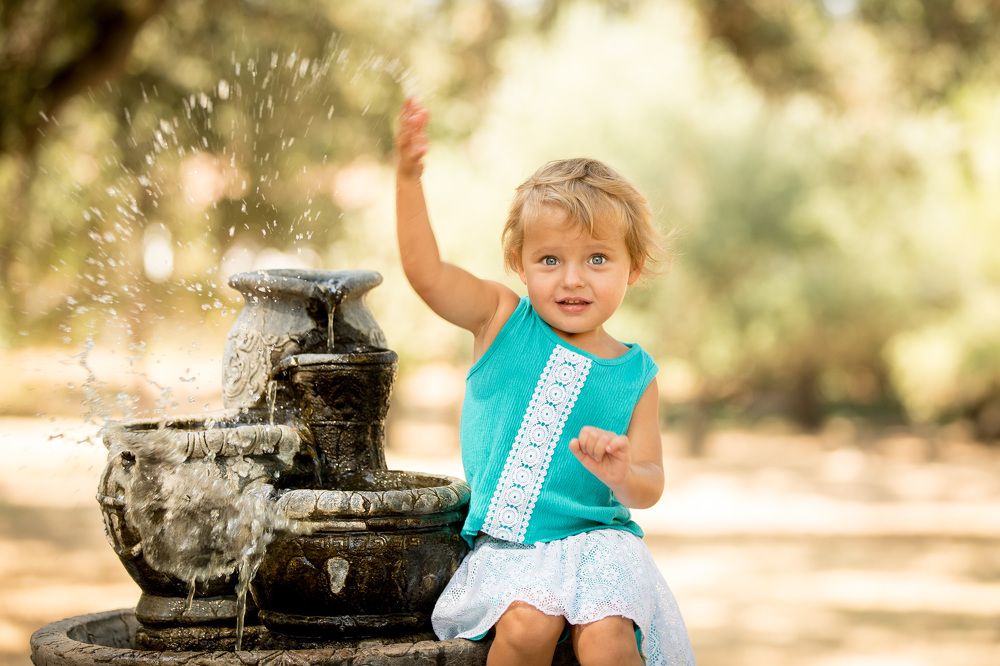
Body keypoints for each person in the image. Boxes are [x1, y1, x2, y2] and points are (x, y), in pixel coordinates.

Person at [395, 97, 695, 666]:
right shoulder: (501, 321)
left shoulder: (636, 372)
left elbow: (650, 484)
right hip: (513, 550)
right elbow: (427, 275)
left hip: (600, 546)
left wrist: (622, 473)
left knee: (608, 636)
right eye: (550, 260)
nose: (572, 280)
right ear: (520, 262)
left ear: (633, 267)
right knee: (529, 626)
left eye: (598, 259)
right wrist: (409, 178)